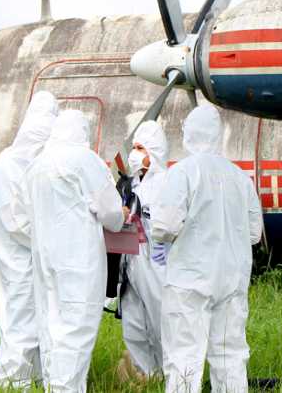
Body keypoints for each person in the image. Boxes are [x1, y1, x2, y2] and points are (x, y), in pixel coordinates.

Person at [152, 105, 263, 393]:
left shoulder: (185, 172)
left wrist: (168, 240)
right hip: (233, 278)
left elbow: (164, 224)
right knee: (230, 353)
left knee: (186, 354)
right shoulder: (241, 177)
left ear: (191, 133)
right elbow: (254, 233)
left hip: (191, 277)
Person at [21, 109, 128, 393]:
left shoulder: (36, 165)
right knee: (76, 330)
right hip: (78, 260)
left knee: (51, 327)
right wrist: (123, 212)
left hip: (45, 260)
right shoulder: (83, 160)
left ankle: (53, 386)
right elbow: (110, 214)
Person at [0, 91, 59, 389]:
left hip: (14, 254)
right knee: (27, 319)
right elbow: (22, 224)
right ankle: (15, 383)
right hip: (30, 255)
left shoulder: (2, 161)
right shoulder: (40, 161)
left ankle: (27, 380)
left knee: (24, 318)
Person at [116, 121, 170, 383]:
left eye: (141, 148)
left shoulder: (167, 183)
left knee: (161, 321)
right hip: (132, 263)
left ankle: (173, 374)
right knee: (134, 322)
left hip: (157, 265)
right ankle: (147, 375)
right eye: (134, 147)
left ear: (155, 151)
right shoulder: (131, 185)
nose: (134, 153)